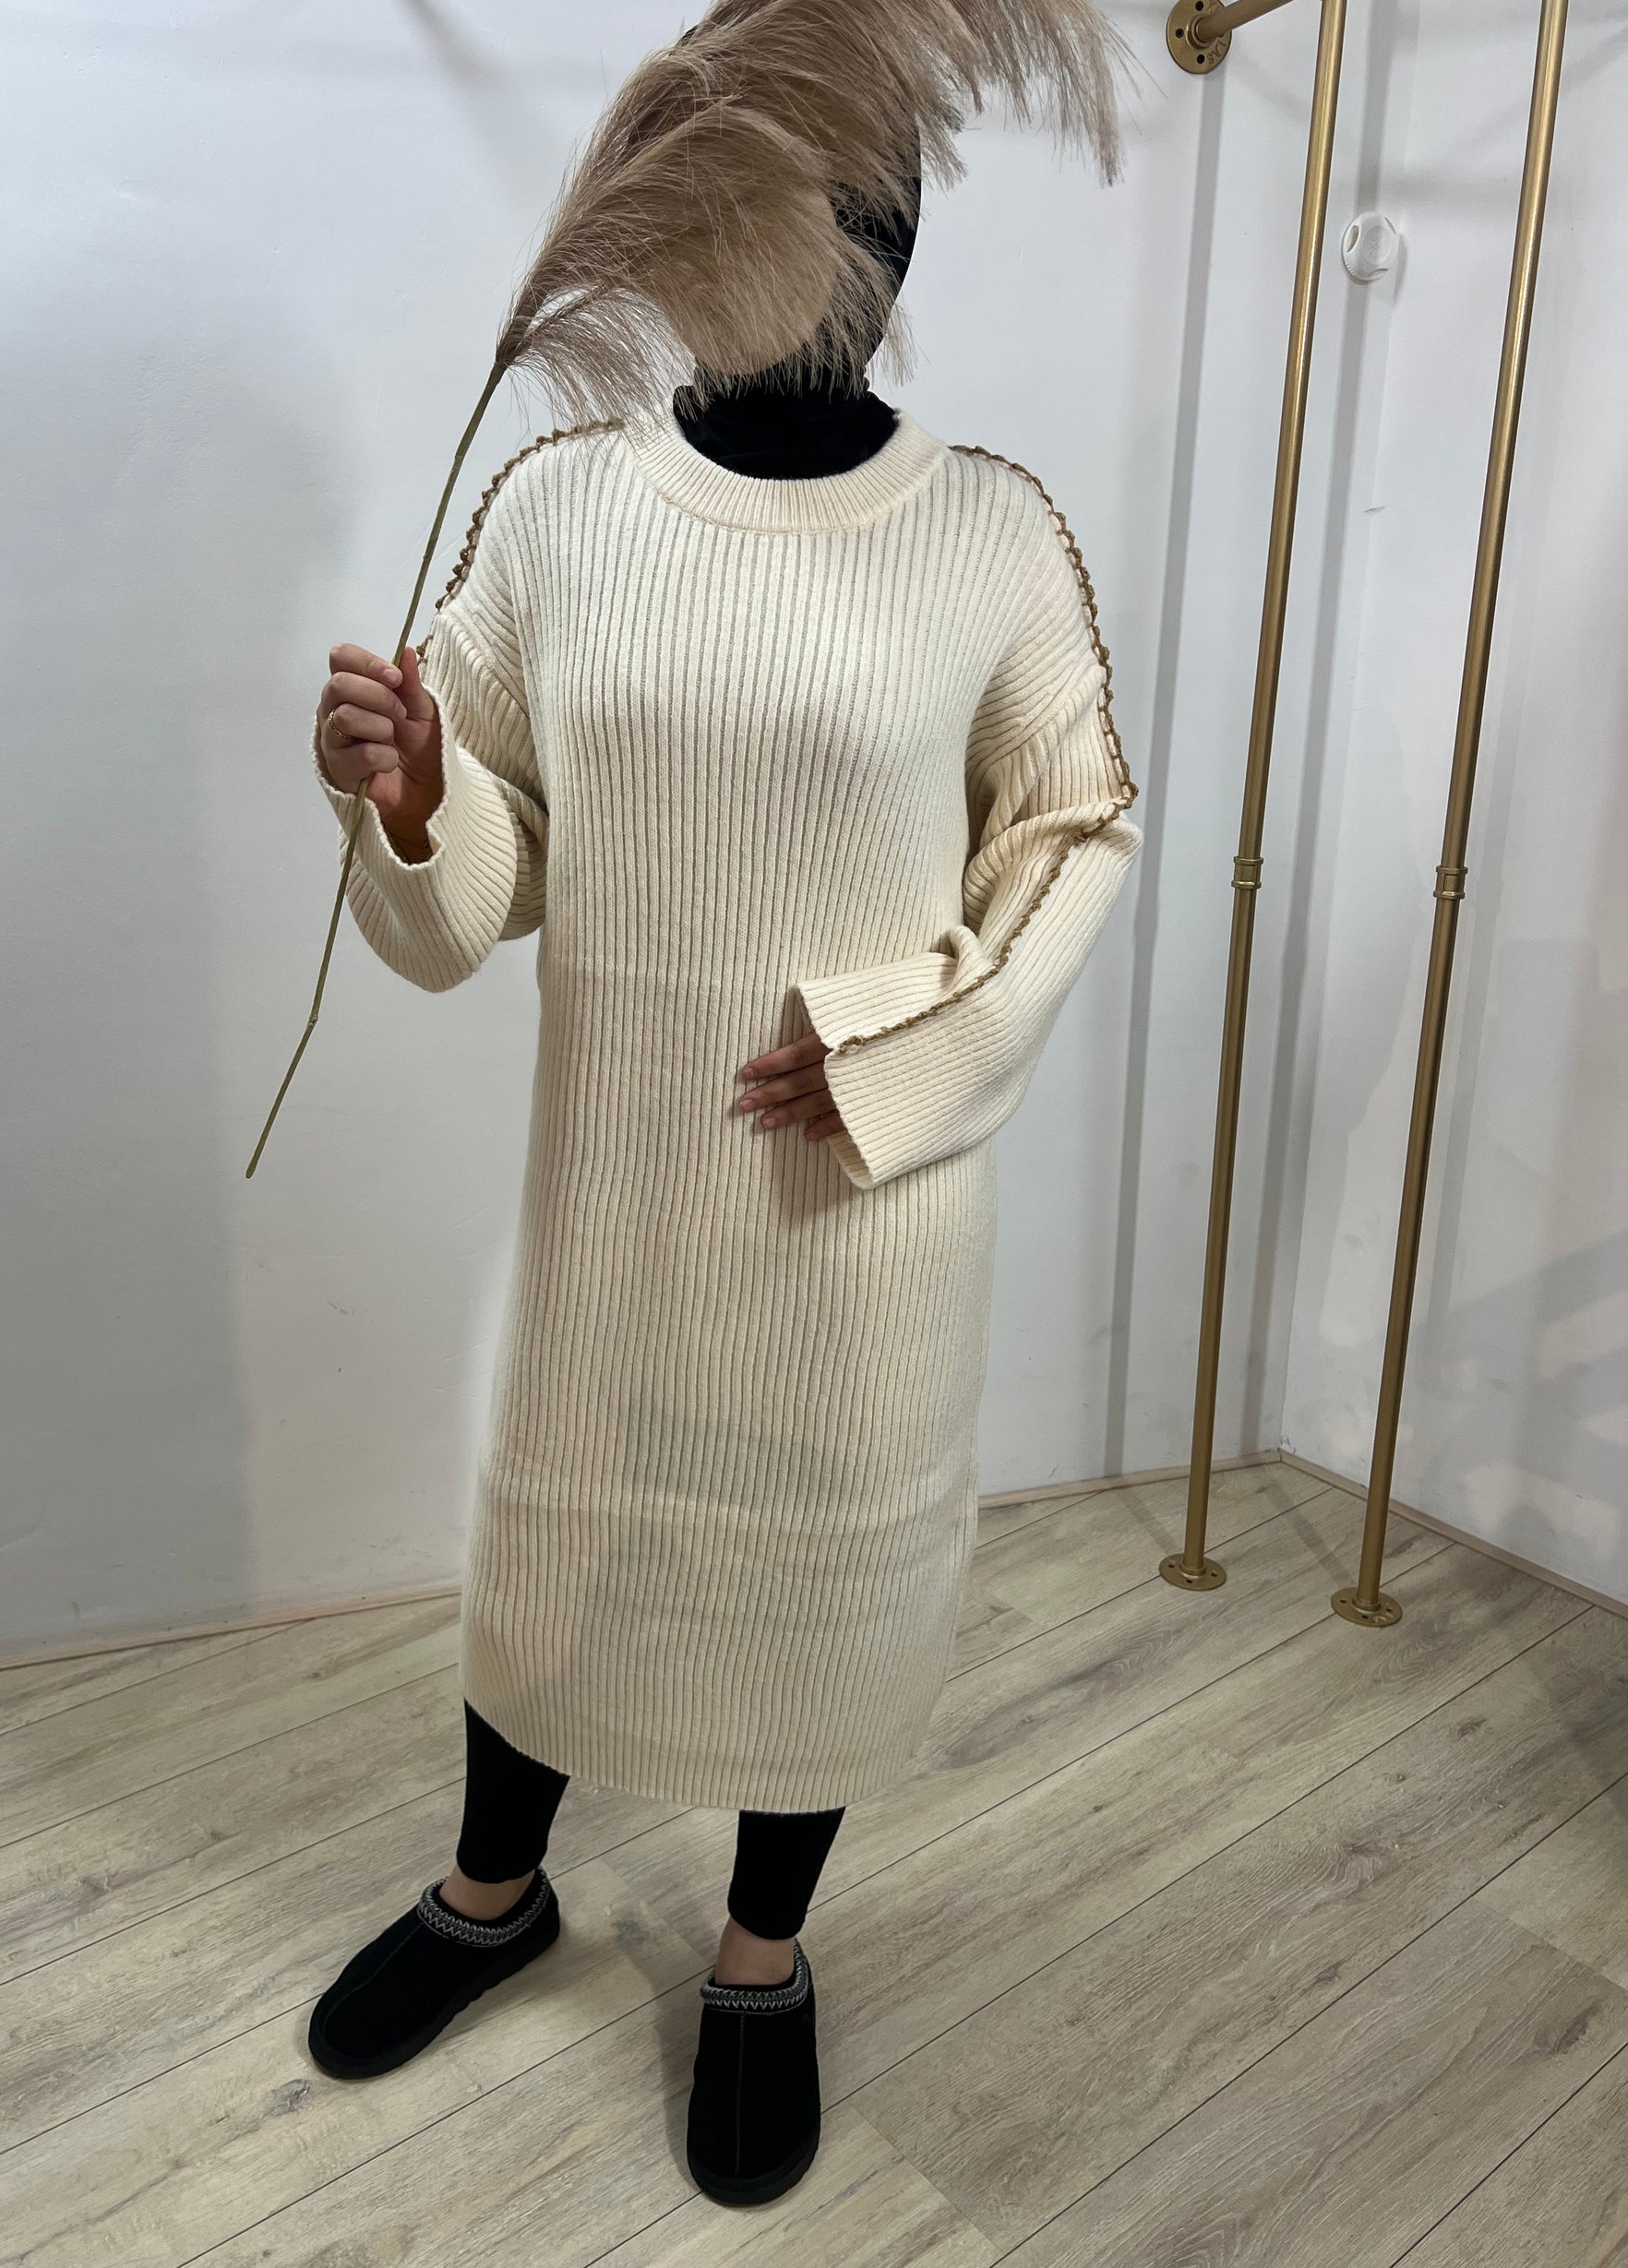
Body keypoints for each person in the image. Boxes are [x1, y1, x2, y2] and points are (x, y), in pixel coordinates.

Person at [301, 162, 1140, 2204]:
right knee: (561, 1542)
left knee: (818, 1575)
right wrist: (413, 794)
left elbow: (1072, 830)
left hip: (854, 1193)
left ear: (891, 250)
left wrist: (902, 1043)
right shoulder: (561, 507)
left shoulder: (988, 528)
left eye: (856, 222)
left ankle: (761, 1955)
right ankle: (493, 1892)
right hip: (615, 1182)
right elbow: (485, 868)